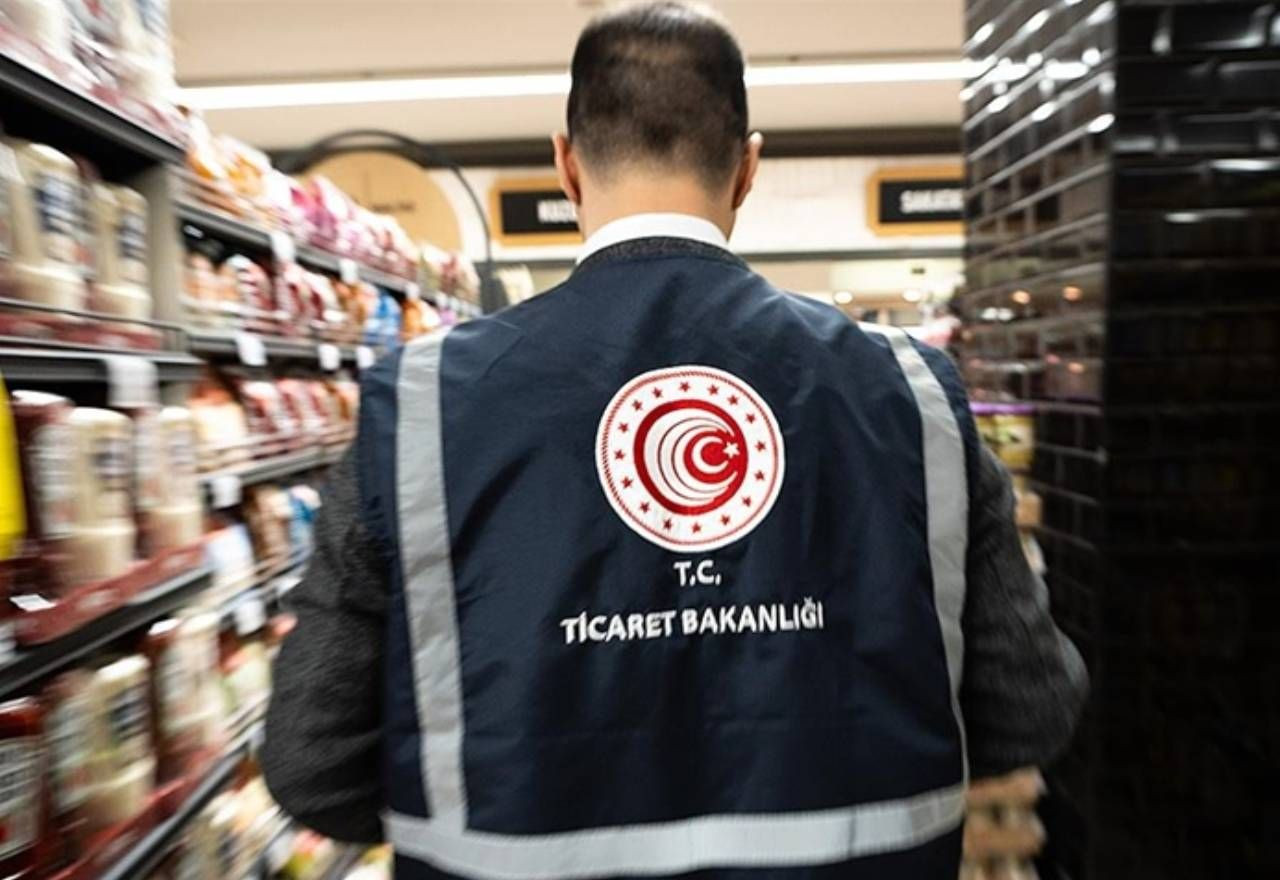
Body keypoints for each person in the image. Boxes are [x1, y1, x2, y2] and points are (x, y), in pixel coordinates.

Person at [261, 3, 1088, 878]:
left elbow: (312, 763)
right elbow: (1029, 707)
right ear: (748, 168)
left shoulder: (423, 403)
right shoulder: (911, 392)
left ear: (565, 165)